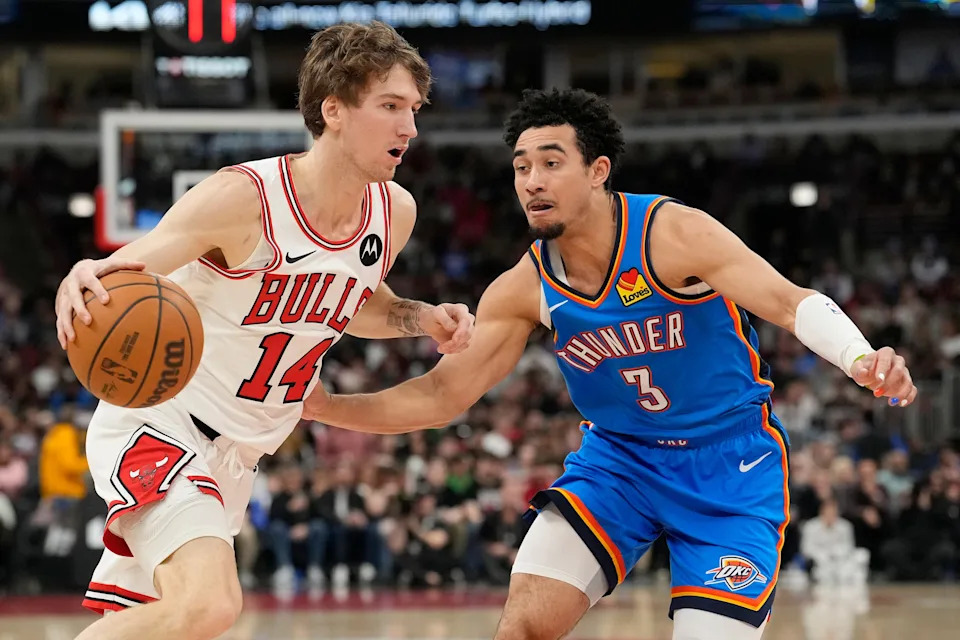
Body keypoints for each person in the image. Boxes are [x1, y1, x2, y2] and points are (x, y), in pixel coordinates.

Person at [303, 88, 917, 640]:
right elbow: (440, 397)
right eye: (521, 168)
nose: (531, 181)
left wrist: (859, 357)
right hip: (619, 462)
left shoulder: (672, 233)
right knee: (520, 627)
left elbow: (788, 301)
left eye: (550, 162)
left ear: (598, 171)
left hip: (729, 465)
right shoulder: (525, 286)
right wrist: (327, 407)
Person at [54, 21, 474, 640]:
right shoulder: (242, 198)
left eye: (413, 109)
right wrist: (82, 276)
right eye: (389, 107)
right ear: (333, 110)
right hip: (162, 424)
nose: (409, 128)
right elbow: (124, 273)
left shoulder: (395, 211)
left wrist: (420, 318)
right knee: (212, 606)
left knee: (169, 624)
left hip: (237, 458)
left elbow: (355, 303)